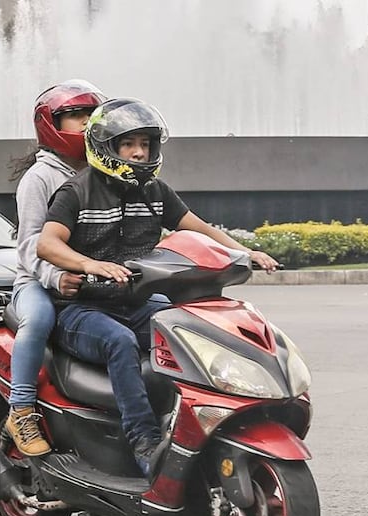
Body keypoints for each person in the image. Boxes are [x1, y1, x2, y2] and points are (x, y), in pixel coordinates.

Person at [37, 97, 279, 477]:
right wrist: (90, 265)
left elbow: (198, 228)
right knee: (120, 342)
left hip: (136, 302)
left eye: (145, 144)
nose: (138, 153)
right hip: (82, 309)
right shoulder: (76, 191)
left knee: (193, 333)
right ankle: (144, 441)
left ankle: (196, 427)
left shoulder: (154, 191)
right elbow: (46, 243)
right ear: (106, 146)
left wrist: (246, 251)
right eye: (129, 144)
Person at [3, 79, 107, 457]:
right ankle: (22, 410)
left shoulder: (106, 171)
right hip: (38, 281)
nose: (83, 122)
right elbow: (30, 244)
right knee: (39, 321)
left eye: (89, 115)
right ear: (51, 125)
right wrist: (55, 276)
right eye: (73, 116)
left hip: (92, 278)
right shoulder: (40, 178)